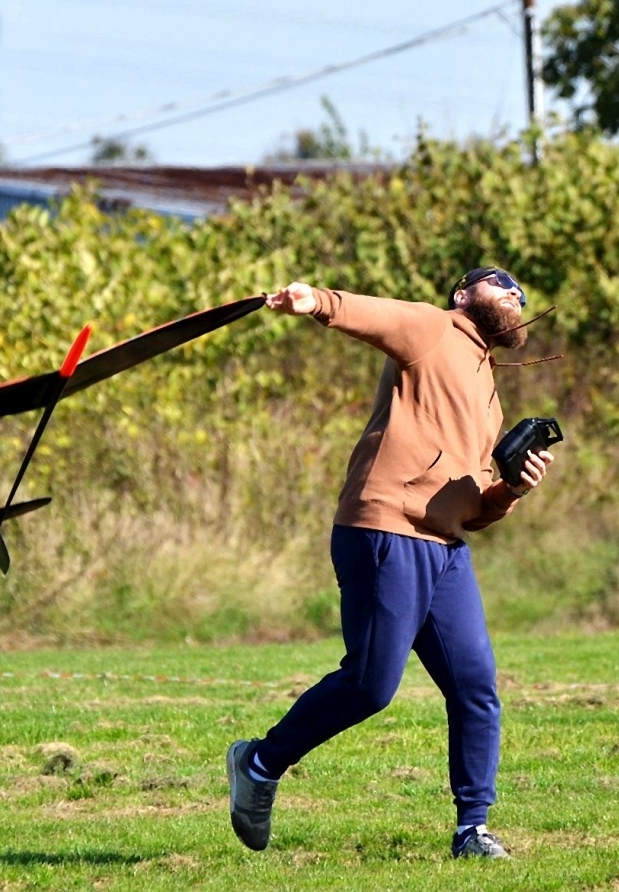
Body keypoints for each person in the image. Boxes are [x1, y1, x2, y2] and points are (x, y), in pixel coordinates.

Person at [227, 267, 554, 860]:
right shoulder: (432, 328)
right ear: (463, 294)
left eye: (521, 292)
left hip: (446, 546)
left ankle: (472, 829)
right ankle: (259, 763)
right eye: (501, 282)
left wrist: (512, 488)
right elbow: (374, 316)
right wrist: (314, 301)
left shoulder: (488, 390)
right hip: (386, 528)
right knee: (371, 686)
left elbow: (477, 509)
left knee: (476, 687)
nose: (515, 292)